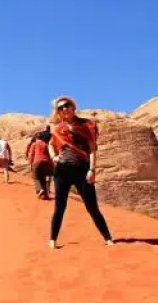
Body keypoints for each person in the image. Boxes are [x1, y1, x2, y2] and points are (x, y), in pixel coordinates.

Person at [48, 96, 114, 249]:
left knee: (92, 206)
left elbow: (92, 149)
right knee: (60, 206)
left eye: (67, 105)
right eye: (61, 107)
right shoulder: (58, 129)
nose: (65, 109)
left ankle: (108, 238)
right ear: (58, 112)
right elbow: (51, 144)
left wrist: (92, 169)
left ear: (73, 107)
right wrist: (54, 157)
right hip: (62, 170)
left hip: (82, 170)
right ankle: (53, 240)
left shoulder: (87, 125)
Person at [28, 127, 54, 199]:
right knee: (43, 178)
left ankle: (39, 190)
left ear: (36, 137)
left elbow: (31, 154)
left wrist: (30, 163)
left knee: (36, 177)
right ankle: (45, 195)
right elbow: (49, 155)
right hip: (46, 162)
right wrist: (51, 164)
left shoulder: (34, 144)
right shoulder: (46, 144)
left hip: (37, 161)